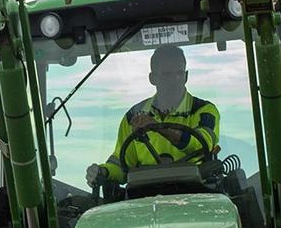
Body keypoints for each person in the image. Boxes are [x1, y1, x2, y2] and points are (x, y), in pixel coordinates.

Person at [84, 45, 221, 188]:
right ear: (152, 78)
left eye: (179, 73)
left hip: (198, 195)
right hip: (144, 199)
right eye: (167, 75)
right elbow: (121, 164)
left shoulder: (204, 111)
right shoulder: (132, 117)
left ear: (186, 76)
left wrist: (158, 127)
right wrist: (103, 171)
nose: (175, 80)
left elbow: (201, 143)